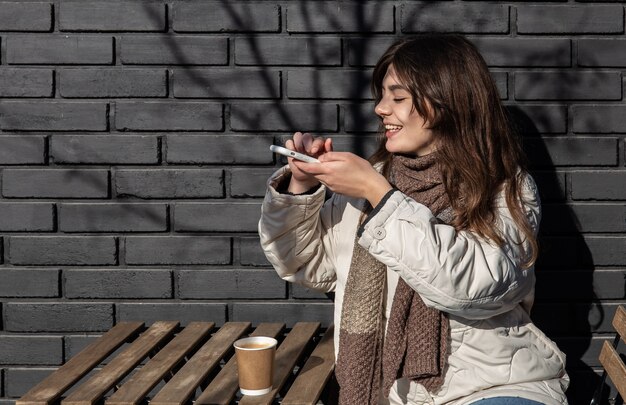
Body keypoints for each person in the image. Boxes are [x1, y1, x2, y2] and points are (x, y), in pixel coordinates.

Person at [258, 34, 569, 405]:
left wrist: (381, 198)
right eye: (382, 95)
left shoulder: (505, 187)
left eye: (398, 97)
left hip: (493, 386)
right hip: (394, 393)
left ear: (445, 102)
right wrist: (300, 187)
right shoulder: (371, 179)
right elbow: (305, 264)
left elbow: (478, 288)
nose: (380, 109)